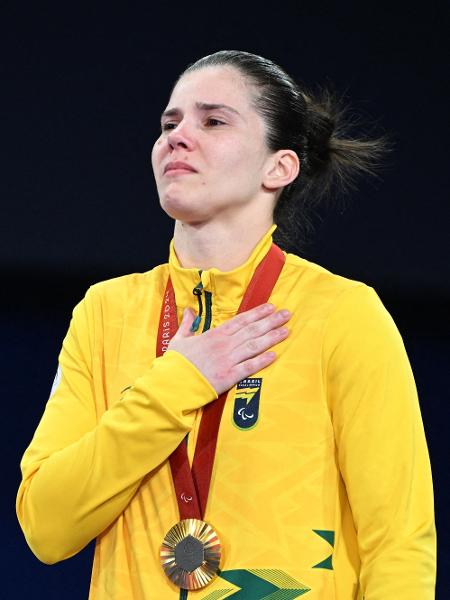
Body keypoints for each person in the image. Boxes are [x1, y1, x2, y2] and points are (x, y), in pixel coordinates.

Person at [16, 50, 436, 599]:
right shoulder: (105, 312)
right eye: (170, 123)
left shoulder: (342, 315)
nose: (177, 136)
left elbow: (399, 541)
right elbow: (46, 527)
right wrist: (175, 384)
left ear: (278, 167)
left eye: (213, 121)